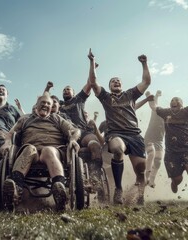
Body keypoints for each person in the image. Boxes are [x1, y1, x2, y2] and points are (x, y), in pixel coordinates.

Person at [89, 49, 151, 205]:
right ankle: (118, 189)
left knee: (141, 170)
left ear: (121, 85)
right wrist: (92, 62)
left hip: (135, 135)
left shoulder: (130, 94)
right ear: (109, 86)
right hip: (116, 134)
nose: (116, 82)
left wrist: (144, 64)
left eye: (118, 81)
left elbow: (146, 82)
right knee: (117, 149)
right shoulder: (106, 97)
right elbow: (93, 83)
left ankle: (140, 194)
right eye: (113, 81)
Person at [0, 93, 80, 211]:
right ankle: (16, 188)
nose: (45, 105)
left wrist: (73, 139)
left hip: (53, 151)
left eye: (48, 103)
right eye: (42, 103)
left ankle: (59, 188)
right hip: (32, 151)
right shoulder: (25, 119)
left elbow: (76, 130)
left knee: (48, 150)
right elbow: (10, 134)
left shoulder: (57, 118)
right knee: (29, 149)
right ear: (36, 105)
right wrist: (7, 143)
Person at [152, 73, 188, 203]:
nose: (174, 102)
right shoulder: (166, 112)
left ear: (182, 105)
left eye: (177, 101)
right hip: (172, 153)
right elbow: (154, 107)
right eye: (172, 100)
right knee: (178, 179)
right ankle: (174, 183)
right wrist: (152, 99)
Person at [58, 50, 103, 192]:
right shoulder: (58, 105)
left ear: (73, 92)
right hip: (65, 135)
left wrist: (92, 64)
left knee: (94, 145)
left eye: (68, 89)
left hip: (83, 133)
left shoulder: (79, 99)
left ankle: (95, 179)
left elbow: (90, 83)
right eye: (64, 90)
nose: (66, 91)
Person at [144, 90, 165, 188]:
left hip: (159, 140)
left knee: (158, 160)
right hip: (149, 137)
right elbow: (154, 105)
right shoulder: (156, 113)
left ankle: (152, 178)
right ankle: (146, 177)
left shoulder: (169, 118)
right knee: (151, 153)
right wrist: (155, 96)